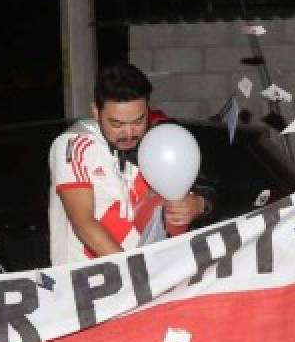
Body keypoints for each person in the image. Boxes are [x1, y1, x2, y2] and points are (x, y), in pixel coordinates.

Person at [48, 64, 209, 265]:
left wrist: (199, 205)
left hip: (148, 279)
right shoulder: (74, 144)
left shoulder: (156, 141)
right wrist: (135, 272)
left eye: (138, 121)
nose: (129, 133)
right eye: (117, 124)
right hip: (89, 282)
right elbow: (83, 223)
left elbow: (206, 190)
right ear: (96, 112)